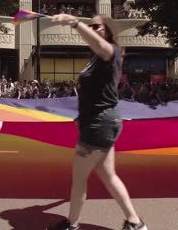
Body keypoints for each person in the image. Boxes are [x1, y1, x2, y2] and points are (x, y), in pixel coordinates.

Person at [46, 14, 148, 230]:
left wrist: (75, 23)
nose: (93, 29)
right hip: (98, 121)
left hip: (99, 123)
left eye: (97, 26)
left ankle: (71, 225)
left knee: (79, 178)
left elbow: (100, 45)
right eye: (90, 26)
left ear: (108, 30)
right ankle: (135, 223)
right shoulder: (96, 58)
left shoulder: (110, 52)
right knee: (108, 175)